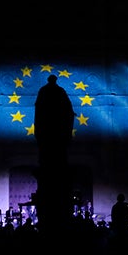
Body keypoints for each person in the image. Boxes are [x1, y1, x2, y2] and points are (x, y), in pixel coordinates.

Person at [33, 74, 75, 234]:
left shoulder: (44, 91)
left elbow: (39, 110)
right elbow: (68, 109)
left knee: (52, 153)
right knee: (55, 154)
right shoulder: (59, 91)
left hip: (50, 131)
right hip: (54, 131)